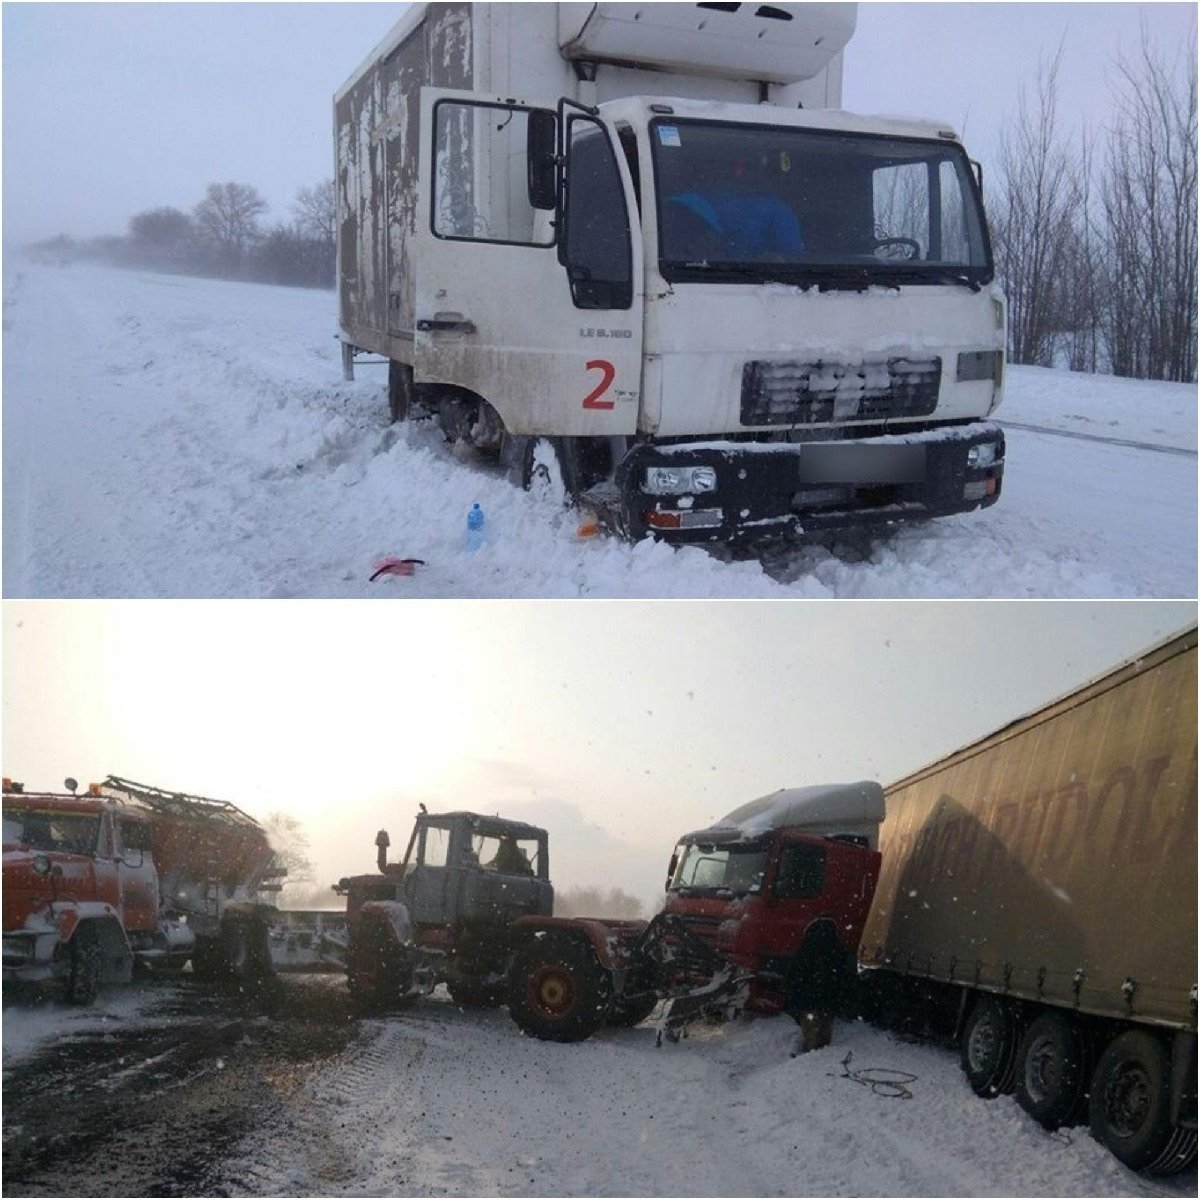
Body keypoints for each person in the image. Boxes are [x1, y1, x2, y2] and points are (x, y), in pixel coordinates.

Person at [667, 155, 804, 261]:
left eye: (749, 166)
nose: (742, 172)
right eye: (741, 166)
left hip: (748, 285)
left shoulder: (778, 212)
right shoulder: (689, 201)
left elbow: (791, 264)